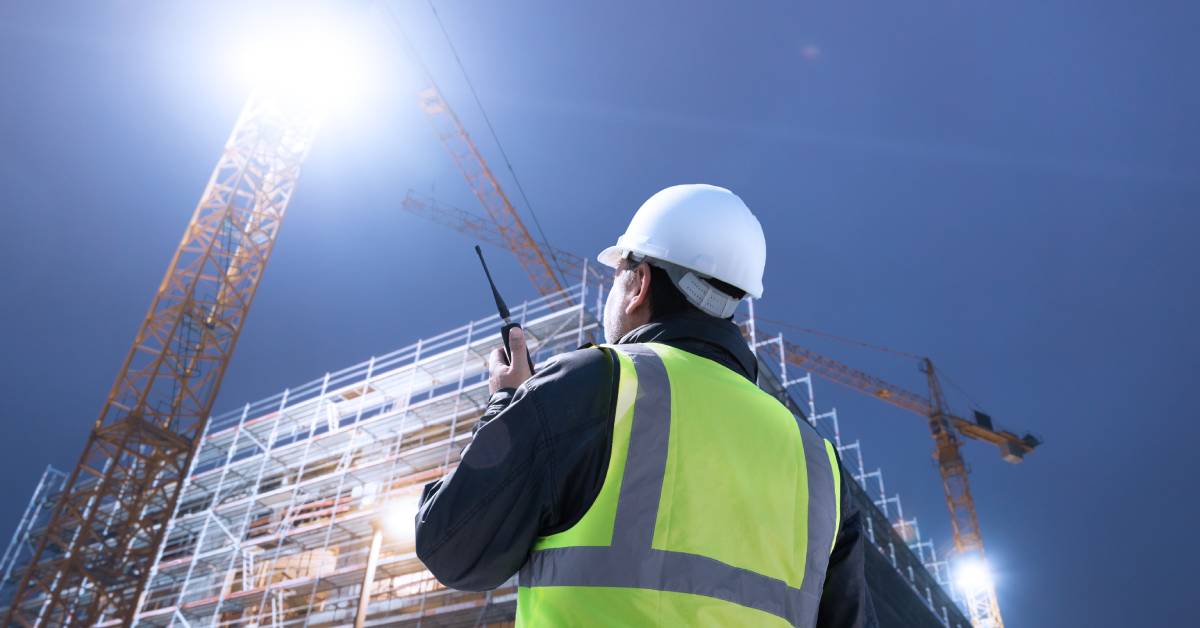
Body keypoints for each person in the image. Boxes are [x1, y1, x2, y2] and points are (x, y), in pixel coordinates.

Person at [415, 184, 876, 627]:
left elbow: (451, 546)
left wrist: (507, 403)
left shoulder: (595, 384)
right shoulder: (819, 464)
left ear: (639, 284)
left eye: (616, 275)